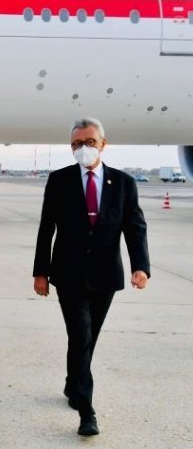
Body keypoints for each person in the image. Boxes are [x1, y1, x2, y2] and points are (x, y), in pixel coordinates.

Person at [33, 117, 150, 437]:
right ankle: (87, 410)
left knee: (89, 337)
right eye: (76, 144)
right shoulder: (59, 180)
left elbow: (135, 226)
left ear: (103, 144)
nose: (83, 149)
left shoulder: (123, 183)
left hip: (105, 274)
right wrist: (40, 271)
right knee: (81, 335)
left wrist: (141, 266)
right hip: (68, 273)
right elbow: (46, 227)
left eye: (89, 142)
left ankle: (74, 382)